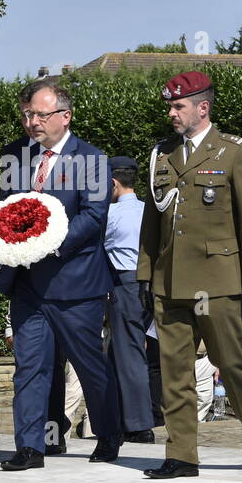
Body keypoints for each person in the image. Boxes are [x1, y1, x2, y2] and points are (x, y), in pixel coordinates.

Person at [137, 70, 242, 478]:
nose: (172, 113)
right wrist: (145, 273)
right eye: (170, 106)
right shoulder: (161, 154)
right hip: (170, 280)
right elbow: (152, 219)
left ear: (203, 107)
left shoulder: (233, 152)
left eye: (179, 106)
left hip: (217, 280)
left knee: (232, 364)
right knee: (174, 372)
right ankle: (181, 455)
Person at [0, 79, 122, 471]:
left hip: (75, 284)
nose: (32, 122)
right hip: (27, 284)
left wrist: (49, 243)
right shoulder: (12, 156)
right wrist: (5, 251)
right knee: (30, 365)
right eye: (28, 114)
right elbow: (4, 213)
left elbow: (93, 218)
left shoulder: (93, 160)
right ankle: (30, 447)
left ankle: (109, 434)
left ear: (65, 117)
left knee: (88, 366)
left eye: (41, 115)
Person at [104, 154, 154, 443]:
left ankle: (138, 425)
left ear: (113, 183)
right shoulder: (148, 211)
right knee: (121, 353)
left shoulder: (112, 215)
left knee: (128, 353)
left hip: (124, 284)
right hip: (148, 284)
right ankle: (123, 419)